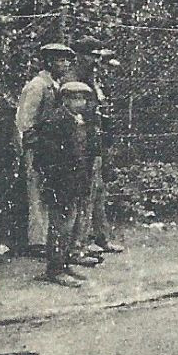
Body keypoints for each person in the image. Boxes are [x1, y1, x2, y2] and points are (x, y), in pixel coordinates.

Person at [32, 80, 101, 286]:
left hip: (75, 181)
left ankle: (63, 263)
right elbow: (45, 157)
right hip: (60, 182)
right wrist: (54, 179)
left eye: (82, 99)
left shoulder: (79, 120)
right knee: (59, 226)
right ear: (65, 100)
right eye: (75, 98)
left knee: (69, 225)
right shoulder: (55, 121)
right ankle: (54, 269)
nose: (79, 103)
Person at [16, 42, 75, 255]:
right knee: (37, 193)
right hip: (38, 148)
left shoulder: (57, 86)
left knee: (50, 193)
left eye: (67, 60)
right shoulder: (37, 85)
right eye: (60, 60)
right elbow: (25, 121)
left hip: (53, 149)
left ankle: (50, 241)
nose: (65, 64)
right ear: (49, 62)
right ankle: (37, 243)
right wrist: (33, 145)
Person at [71, 38, 124, 258]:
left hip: (96, 141)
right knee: (85, 194)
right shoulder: (73, 81)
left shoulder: (93, 79)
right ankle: (79, 245)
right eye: (93, 56)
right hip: (82, 144)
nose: (96, 61)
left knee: (99, 191)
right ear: (81, 56)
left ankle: (101, 238)